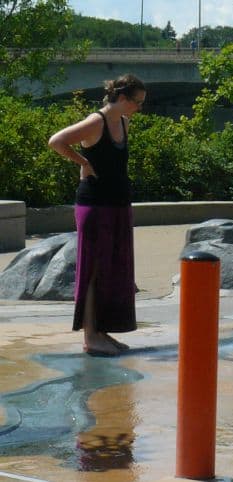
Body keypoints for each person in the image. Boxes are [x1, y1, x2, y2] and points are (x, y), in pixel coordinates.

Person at [48, 73, 146, 356]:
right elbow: (57, 141)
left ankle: (102, 330)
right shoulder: (96, 122)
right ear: (123, 98)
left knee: (113, 270)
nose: (139, 108)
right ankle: (91, 336)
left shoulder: (124, 123)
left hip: (118, 204)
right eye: (137, 102)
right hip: (95, 205)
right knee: (94, 270)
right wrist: (83, 162)